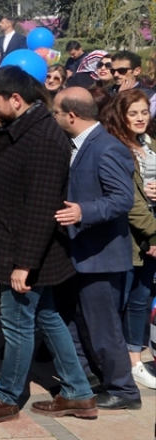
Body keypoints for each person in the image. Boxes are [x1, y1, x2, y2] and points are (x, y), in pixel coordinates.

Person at [0, 67, 96, 425]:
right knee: (48, 318)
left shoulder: (44, 138)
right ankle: (78, 392)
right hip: (15, 244)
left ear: (16, 100)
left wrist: (24, 264)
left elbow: (41, 208)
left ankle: (6, 396)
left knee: (18, 322)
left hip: (25, 252)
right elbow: (23, 185)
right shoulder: (24, 131)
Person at [51, 86, 142, 409]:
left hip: (101, 257)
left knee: (104, 329)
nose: (55, 117)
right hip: (79, 254)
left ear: (71, 116)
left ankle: (124, 390)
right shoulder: (78, 143)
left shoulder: (107, 147)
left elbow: (122, 199)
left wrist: (82, 211)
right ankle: (90, 378)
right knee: (79, 321)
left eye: (57, 112)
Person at [98, 89, 156, 388]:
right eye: (133, 113)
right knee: (123, 299)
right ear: (120, 115)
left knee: (141, 299)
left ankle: (135, 357)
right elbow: (130, 202)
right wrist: (154, 233)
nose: (140, 118)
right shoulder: (118, 149)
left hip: (152, 238)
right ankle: (122, 362)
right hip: (130, 238)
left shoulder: (150, 144)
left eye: (144, 112)